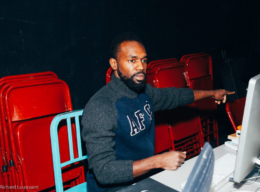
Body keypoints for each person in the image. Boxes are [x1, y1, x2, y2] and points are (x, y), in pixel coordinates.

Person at [81, 32, 234, 191]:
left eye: (143, 60)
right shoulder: (100, 107)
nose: (140, 67)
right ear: (114, 64)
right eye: (132, 60)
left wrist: (211, 93)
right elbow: (104, 172)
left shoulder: (143, 91)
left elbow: (174, 96)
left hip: (145, 177)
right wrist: (157, 162)